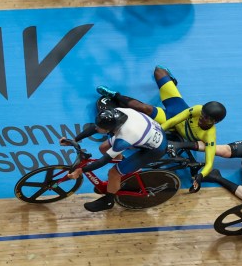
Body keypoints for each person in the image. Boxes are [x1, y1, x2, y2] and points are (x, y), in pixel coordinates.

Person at [96, 65, 226, 192]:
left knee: (145, 108)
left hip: (175, 128)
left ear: (215, 122)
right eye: (202, 114)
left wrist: (200, 175)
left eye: (206, 118)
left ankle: (114, 95)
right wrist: (158, 130)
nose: (201, 117)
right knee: (159, 71)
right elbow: (175, 120)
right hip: (175, 113)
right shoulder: (198, 109)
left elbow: (209, 163)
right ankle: (171, 81)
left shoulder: (209, 136)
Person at [60, 107, 168, 212]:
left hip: (154, 149)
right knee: (103, 147)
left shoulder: (124, 139)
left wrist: (80, 170)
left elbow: (103, 160)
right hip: (145, 132)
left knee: (113, 173)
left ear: (109, 129)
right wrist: (74, 140)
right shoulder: (116, 113)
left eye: (99, 128)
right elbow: (96, 127)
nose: (96, 129)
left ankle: (108, 201)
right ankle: (125, 171)